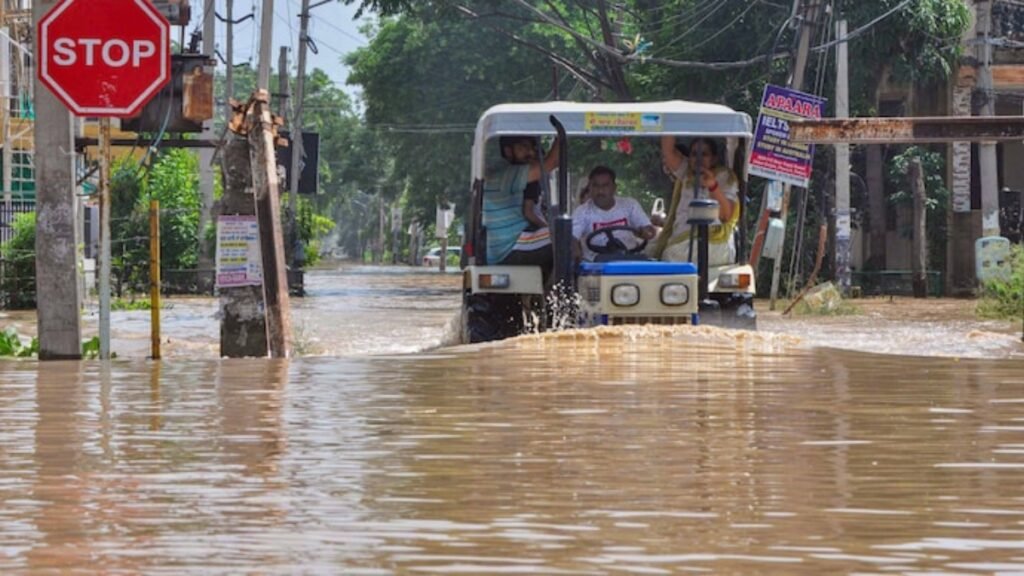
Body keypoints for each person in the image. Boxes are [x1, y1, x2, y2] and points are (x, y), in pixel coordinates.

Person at [651, 136, 740, 265]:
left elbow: (726, 215)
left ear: (714, 158)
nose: (698, 159)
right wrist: (671, 116)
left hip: (715, 247)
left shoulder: (725, 177)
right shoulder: (686, 172)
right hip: (681, 247)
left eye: (704, 154)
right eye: (694, 154)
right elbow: (668, 151)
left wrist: (712, 186)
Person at [483, 135, 559, 267]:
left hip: (503, 248)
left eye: (531, 148)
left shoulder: (499, 173)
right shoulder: (509, 174)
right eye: (523, 148)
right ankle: (558, 285)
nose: (530, 153)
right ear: (508, 151)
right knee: (563, 236)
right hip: (511, 247)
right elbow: (551, 163)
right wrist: (561, 133)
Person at [572, 165, 657, 262]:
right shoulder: (582, 212)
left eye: (605, 186)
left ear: (614, 187)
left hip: (630, 257)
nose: (600, 191)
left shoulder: (630, 205)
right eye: (596, 186)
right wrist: (575, 250)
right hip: (597, 264)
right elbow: (571, 238)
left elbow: (649, 230)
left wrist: (644, 232)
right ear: (590, 188)